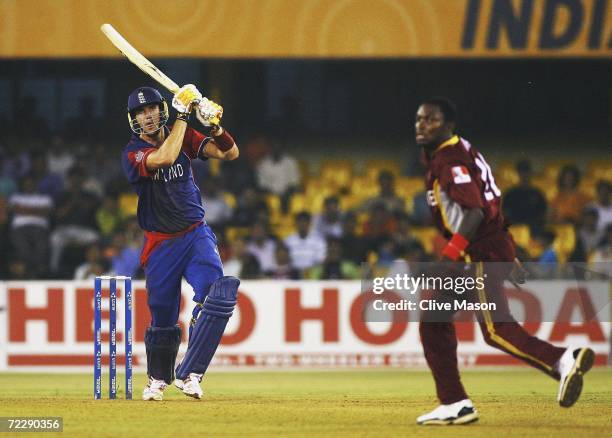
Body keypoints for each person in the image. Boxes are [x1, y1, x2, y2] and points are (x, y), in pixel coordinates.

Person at [414, 97, 594, 425]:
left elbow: (475, 212)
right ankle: (455, 403)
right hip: (485, 248)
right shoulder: (459, 151)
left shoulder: (451, 159)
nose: (421, 125)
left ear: (449, 125)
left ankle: (563, 359)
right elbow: (491, 202)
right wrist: (508, 250)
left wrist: (450, 255)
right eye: (419, 119)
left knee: (496, 329)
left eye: (430, 120)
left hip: (476, 253)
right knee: (432, 320)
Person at [121, 85, 239, 401]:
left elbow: (229, 153)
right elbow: (166, 156)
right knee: (163, 318)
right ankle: (158, 379)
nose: (147, 117)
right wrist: (186, 115)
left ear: (162, 110)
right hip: (160, 243)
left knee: (220, 295)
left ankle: (191, 374)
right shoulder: (133, 153)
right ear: (133, 119)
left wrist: (215, 126)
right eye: (140, 113)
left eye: (152, 110)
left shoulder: (182, 133)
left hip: (195, 233)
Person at [502, 159, 547, 233]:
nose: (524, 175)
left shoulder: (537, 194)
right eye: (522, 172)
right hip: (515, 228)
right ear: (518, 174)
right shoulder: (510, 194)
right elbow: (505, 214)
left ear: (530, 173)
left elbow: (543, 215)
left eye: (526, 172)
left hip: (533, 229)